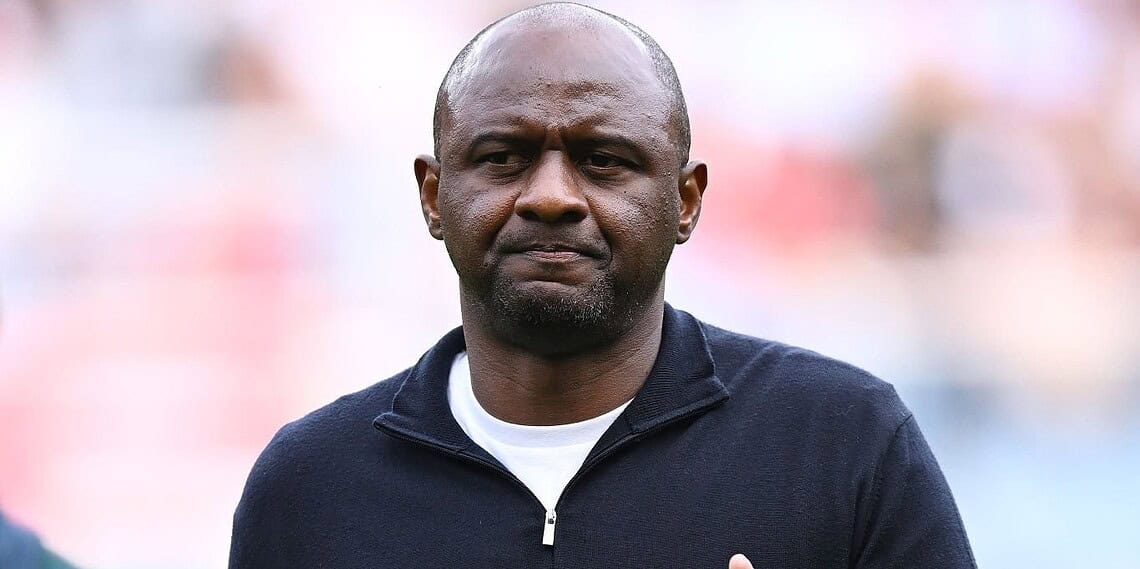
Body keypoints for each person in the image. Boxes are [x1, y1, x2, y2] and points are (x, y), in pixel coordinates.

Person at [228, 3, 976, 568]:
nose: (551, 196)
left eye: (605, 160)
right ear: (433, 195)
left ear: (685, 201)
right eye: (502, 156)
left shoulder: (840, 443)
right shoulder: (312, 484)